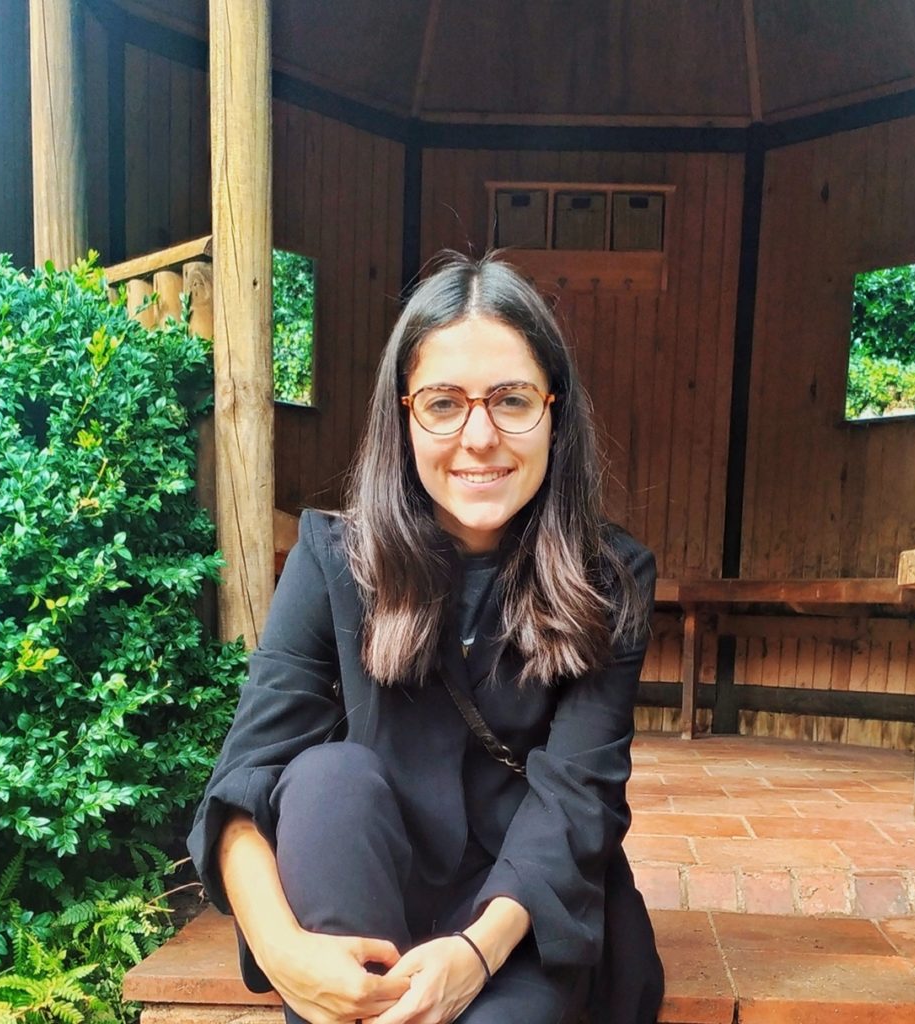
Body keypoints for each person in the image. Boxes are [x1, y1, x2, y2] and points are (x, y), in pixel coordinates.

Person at [187, 253, 664, 1024]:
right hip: (370, 887)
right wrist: (285, 955)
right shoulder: (332, 560)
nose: (479, 436)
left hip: (522, 912)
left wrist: (474, 954)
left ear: (554, 410)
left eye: (511, 400)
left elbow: (579, 797)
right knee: (322, 778)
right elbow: (245, 782)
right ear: (404, 414)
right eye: (444, 403)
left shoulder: (607, 578)